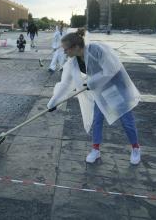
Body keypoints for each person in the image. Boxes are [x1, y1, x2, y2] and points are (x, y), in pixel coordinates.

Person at [47, 28, 141, 165]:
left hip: (116, 88)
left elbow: (112, 69)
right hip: (100, 90)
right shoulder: (73, 63)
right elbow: (65, 84)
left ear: (76, 47)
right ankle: (95, 150)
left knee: (126, 120)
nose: (64, 52)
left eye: (66, 49)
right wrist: (53, 102)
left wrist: (92, 82)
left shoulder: (96, 50)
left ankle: (136, 148)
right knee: (97, 119)